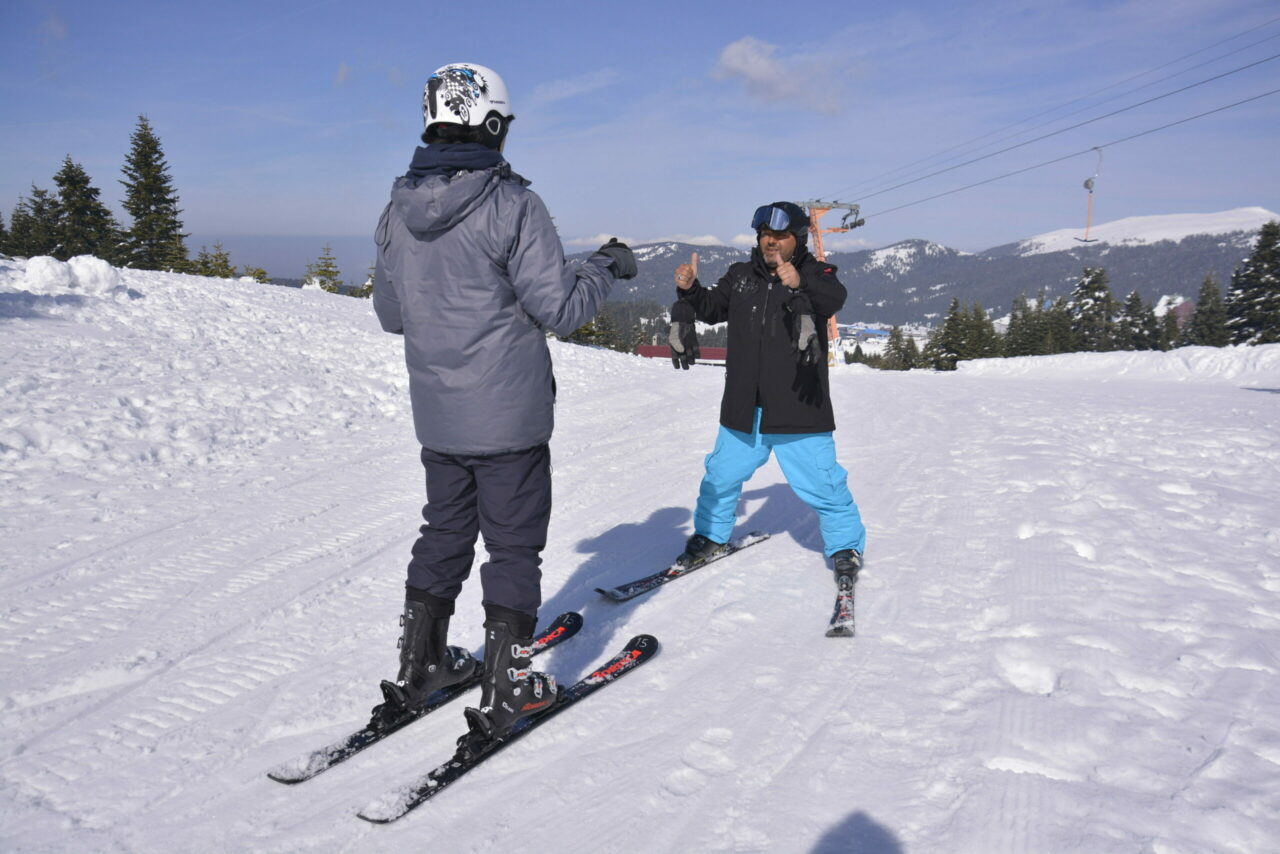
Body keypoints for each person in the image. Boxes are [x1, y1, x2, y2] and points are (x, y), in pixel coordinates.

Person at [371, 62, 636, 740]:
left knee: (444, 533)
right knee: (513, 549)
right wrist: (603, 267)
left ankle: (419, 666)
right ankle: (508, 687)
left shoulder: (397, 211)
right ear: (490, 123)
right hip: (508, 420)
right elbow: (562, 309)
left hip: (439, 418)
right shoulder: (512, 205)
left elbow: (392, 315)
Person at [668, 200, 866, 593]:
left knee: (824, 484)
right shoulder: (741, 276)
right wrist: (690, 290)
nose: (770, 242)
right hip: (744, 407)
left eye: (780, 235)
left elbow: (834, 298)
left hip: (799, 406)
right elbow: (712, 308)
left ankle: (845, 546)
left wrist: (800, 283)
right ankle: (710, 535)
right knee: (720, 477)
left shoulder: (817, 274)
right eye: (765, 235)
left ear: (798, 239)